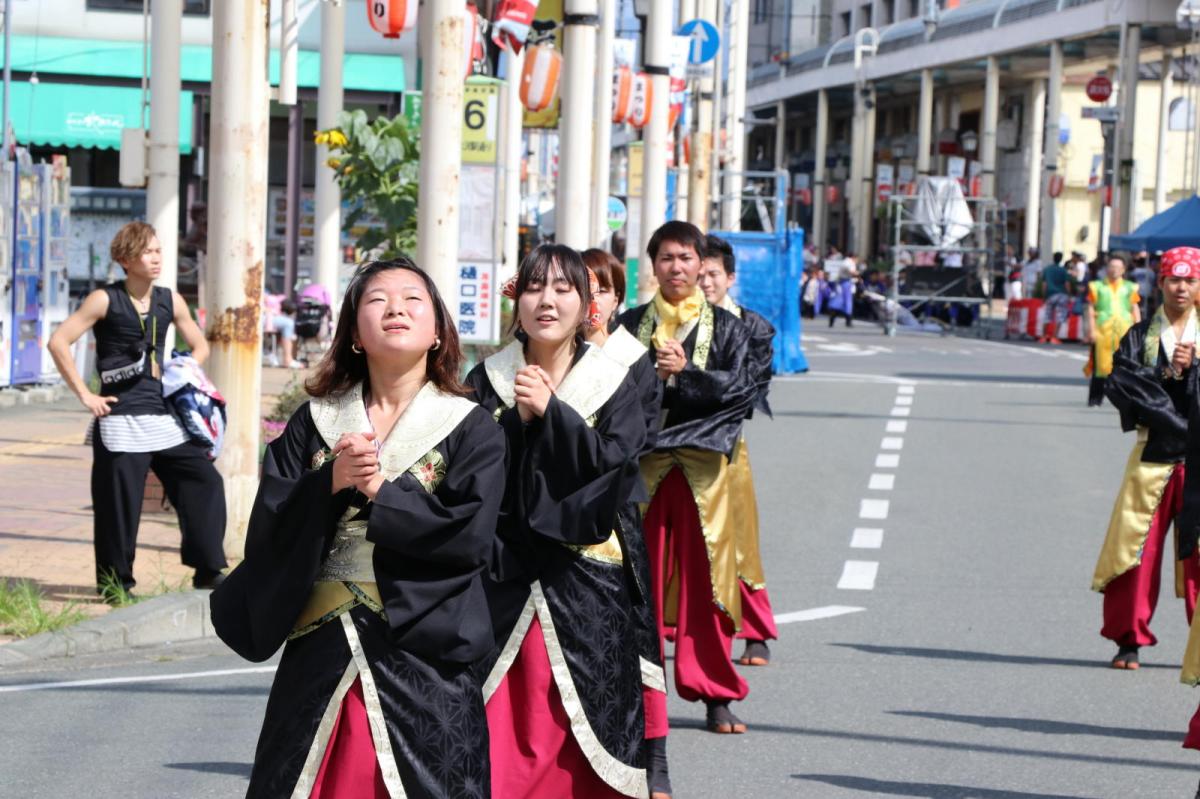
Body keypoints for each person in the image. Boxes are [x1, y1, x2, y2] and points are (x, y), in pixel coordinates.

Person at [210, 258, 506, 798]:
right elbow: (270, 528)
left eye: (413, 298)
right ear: (353, 335)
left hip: (423, 643)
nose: (396, 307)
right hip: (322, 636)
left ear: (438, 330)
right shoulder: (316, 420)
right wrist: (327, 485)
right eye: (377, 299)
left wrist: (380, 495)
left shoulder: (472, 427)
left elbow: (469, 538)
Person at [469, 245, 651, 799]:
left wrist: (553, 416)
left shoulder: (613, 379)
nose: (546, 301)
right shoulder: (486, 379)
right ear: (515, 299)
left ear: (587, 304)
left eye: (562, 289)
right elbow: (469, 477)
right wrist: (519, 426)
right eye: (533, 288)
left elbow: (616, 469)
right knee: (496, 718)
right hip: (502, 570)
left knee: (587, 718)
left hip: (586, 576)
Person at [617, 221, 757, 735]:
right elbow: (615, 399)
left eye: (686, 258)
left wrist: (684, 376)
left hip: (704, 471)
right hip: (642, 472)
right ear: (652, 266)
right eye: (666, 259)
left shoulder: (732, 328)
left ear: (703, 264)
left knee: (711, 587)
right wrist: (652, 382)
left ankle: (716, 693)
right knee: (636, 584)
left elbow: (739, 395)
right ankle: (634, 691)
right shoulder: (628, 325)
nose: (677, 268)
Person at [46, 221, 226, 601]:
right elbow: (59, 341)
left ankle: (208, 568)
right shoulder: (104, 299)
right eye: (148, 252)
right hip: (118, 416)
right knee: (118, 507)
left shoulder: (170, 299)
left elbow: (200, 345)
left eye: (159, 251)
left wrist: (182, 370)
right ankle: (116, 585)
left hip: (162, 416)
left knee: (204, 480)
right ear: (125, 259)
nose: (157, 258)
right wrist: (86, 395)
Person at [582, 247, 673, 797]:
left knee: (636, 640)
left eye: (603, 289)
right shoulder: (536, 355)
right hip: (539, 523)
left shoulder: (630, 358)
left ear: (618, 298)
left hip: (612, 519)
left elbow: (637, 442)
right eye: (579, 288)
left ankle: (654, 758)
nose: (592, 301)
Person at [1092, 247, 1200, 672]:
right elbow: (1123, 384)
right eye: (1174, 279)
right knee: (1135, 551)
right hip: (1153, 455)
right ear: (1160, 283)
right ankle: (1129, 639)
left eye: (1190, 280)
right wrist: (1168, 374)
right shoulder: (1140, 337)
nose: (1181, 287)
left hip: (1199, 460)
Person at [699, 235, 779, 667]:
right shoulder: (670, 322)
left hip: (724, 449)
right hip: (664, 452)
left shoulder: (753, 327)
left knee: (739, 542)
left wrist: (692, 384)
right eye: (700, 273)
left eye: (713, 274)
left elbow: (749, 392)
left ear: (730, 277)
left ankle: (755, 630)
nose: (705, 281)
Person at [1085, 255, 1142, 407]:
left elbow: (1134, 308)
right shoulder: (1097, 286)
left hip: (1124, 330)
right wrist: (1090, 329)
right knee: (1101, 366)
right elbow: (1090, 309)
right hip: (1102, 330)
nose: (1114, 270)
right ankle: (1095, 399)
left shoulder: (1130, 287)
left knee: (1126, 366)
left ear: (1123, 270)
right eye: (1111, 266)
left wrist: (1139, 329)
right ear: (1106, 269)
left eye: (1117, 267)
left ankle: (1127, 401)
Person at [1037, 252, 1072, 344]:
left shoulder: (1047, 270)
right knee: (1060, 316)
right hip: (1061, 294)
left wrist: (1044, 296)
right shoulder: (1063, 270)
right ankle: (1054, 337)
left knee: (1047, 315)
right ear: (1061, 259)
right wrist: (1069, 295)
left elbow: (1044, 284)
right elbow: (1067, 284)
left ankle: (1044, 336)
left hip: (1050, 294)